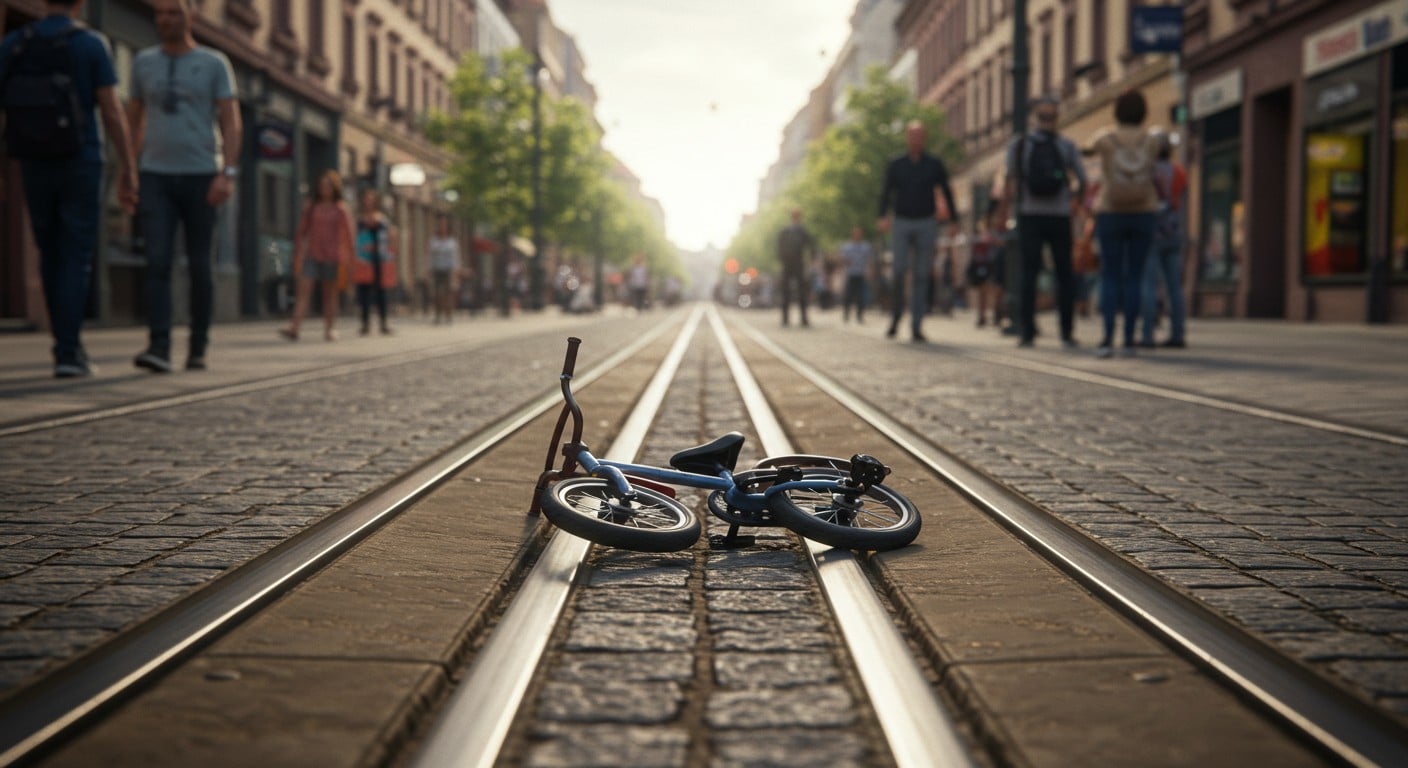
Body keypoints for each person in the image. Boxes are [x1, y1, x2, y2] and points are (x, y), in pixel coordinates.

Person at [0, 0, 138, 377]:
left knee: (49, 251)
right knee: (75, 254)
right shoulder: (91, 44)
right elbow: (111, 109)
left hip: (33, 160)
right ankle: (68, 350)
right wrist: (128, 166)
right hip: (81, 159)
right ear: (80, 3)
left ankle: (63, 344)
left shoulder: (15, 43)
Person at [127, 0, 241, 373]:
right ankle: (159, 346)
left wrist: (227, 173)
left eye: (173, 12)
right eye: (160, 13)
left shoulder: (214, 63)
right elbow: (134, 120)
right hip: (155, 174)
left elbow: (230, 120)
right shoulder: (143, 62)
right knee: (157, 260)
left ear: (191, 16)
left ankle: (198, 346)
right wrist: (127, 170)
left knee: (200, 266)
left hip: (202, 175)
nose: (165, 19)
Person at [999, 96, 1088, 349]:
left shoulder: (1020, 144)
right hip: (1058, 215)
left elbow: (1009, 180)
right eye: (1046, 117)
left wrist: (1004, 213)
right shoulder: (1065, 145)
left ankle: (1027, 332)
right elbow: (1082, 179)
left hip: (1030, 214)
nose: (1048, 121)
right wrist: (1075, 203)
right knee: (1063, 273)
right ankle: (1066, 332)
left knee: (1030, 273)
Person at [1089, 89, 1163, 359]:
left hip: (1110, 210)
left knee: (1110, 275)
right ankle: (1130, 339)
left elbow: (1088, 147)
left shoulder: (1106, 138)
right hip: (1144, 210)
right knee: (1135, 275)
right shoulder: (1151, 140)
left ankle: (1108, 338)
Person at [877, 120, 958, 343]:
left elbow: (946, 190)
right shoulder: (896, 164)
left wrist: (953, 219)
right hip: (901, 221)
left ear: (924, 138)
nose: (916, 139)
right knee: (899, 270)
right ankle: (895, 317)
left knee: (922, 274)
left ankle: (916, 325)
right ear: (907, 137)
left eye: (920, 135)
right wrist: (882, 216)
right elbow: (886, 191)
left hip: (926, 222)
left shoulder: (934, 164)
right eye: (913, 135)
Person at [279, 169, 353, 342]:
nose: (324, 189)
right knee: (304, 292)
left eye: (328, 186)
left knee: (329, 294)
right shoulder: (312, 207)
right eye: (322, 185)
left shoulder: (340, 208)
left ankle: (330, 328)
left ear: (334, 188)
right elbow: (301, 231)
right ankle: (294, 327)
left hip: (332, 256)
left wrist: (350, 260)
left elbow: (349, 235)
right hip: (312, 255)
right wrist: (297, 253)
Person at [1141, 142, 1188, 348]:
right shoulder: (1179, 171)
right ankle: (1178, 334)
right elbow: (1182, 201)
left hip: (1152, 232)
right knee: (1174, 287)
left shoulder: (1147, 171)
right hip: (1174, 230)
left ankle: (1148, 335)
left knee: (1149, 285)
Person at [352, 187, 397, 335]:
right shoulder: (359, 220)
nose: (369, 202)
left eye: (371, 199)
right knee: (364, 292)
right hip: (363, 260)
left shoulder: (382, 219)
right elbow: (354, 238)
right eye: (367, 199)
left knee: (381, 292)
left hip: (379, 259)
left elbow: (390, 237)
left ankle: (383, 323)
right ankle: (365, 323)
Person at [776, 208, 814, 327]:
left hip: (799, 263)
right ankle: (785, 318)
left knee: (802, 291)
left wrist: (811, 258)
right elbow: (780, 247)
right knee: (785, 291)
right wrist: (782, 260)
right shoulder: (785, 231)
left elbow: (811, 245)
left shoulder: (803, 231)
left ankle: (804, 318)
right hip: (787, 264)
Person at [967, 205, 1003, 328]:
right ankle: (982, 315)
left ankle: (996, 313)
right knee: (983, 291)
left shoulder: (998, 232)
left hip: (994, 265)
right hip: (982, 265)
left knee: (995, 290)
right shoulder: (981, 234)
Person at [429, 216, 459, 325]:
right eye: (441, 224)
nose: (442, 227)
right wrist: (429, 269)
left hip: (448, 270)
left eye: (444, 225)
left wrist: (456, 271)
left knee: (448, 293)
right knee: (437, 293)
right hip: (437, 269)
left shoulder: (452, 241)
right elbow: (430, 256)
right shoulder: (434, 240)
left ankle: (448, 314)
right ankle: (438, 315)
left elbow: (455, 257)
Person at [840, 226, 873, 323]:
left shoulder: (865, 247)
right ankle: (846, 313)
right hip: (851, 273)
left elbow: (869, 260)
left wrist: (869, 271)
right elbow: (842, 259)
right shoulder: (847, 247)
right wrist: (846, 261)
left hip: (861, 274)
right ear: (853, 235)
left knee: (861, 296)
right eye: (856, 234)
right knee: (848, 295)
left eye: (859, 234)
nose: (858, 235)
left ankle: (860, 315)